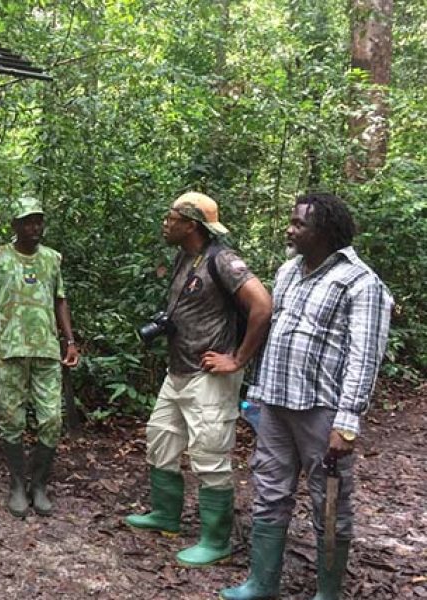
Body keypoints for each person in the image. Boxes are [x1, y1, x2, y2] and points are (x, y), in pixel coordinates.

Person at [220, 193, 392, 600]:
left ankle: (327, 592)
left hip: (322, 411)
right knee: (270, 490)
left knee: (329, 501)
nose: (290, 229)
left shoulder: (361, 282)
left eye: (299, 224)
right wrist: (257, 398)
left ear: (326, 232)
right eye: (292, 221)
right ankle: (262, 582)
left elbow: (364, 356)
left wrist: (347, 421)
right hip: (276, 403)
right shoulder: (288, 271)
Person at [125, 192, 272, 567]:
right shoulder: (185, 257)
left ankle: (215, 538)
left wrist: (237, 359)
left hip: (209, 375)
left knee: (209, 453)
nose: (165, 223)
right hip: (179, 371)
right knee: (161, 440)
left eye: (171, 218)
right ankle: (165, 514)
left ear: (191, 224)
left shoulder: (223, 260)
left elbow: (262, 305)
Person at [0, 196, 80, 517]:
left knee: (51, 420)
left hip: (46, 351)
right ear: (15, 225)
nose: (34, 227)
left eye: (38, 220)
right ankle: (17, 483)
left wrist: (70, 341)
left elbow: (60, 300)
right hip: (11, 351)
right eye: (27, 221)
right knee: (11, 421)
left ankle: (39, 484)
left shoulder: (52, 259)